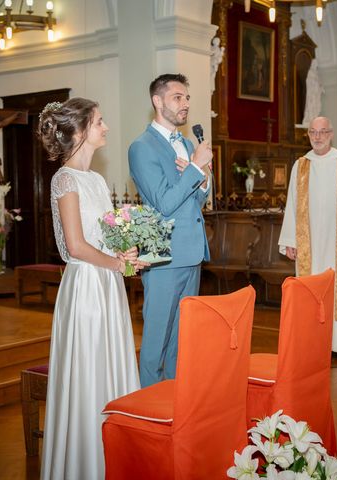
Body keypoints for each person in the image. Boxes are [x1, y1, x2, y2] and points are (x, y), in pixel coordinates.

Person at [37, 98, 144, 479]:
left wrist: (127, 252)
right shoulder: (64, 179)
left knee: (111, 364)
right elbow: (76, 245)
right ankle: (84, 464)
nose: (106, 127)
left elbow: (106, 236)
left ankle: (115, 459)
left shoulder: (97, 180)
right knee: (88, 370)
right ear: (80, 131)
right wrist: (117, 262)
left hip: (108, 284)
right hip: (85, 288)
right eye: (100, 121)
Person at [128, 73, 213, 387]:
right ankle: (149, 405)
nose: (185, 104)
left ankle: (176, 403)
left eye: (187, 98)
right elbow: (164, 203)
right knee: (156, 340)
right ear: (157, 101)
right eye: (178, 97)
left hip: (191, 249)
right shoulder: (141, 147)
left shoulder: (187, 143)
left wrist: (202, 176)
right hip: (163, 252)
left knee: (181, 338)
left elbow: (198, 197)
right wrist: (194, 168)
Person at [278, 116, 337, 359]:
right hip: (309, 243)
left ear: (331, 134)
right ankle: (312, 342)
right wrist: (290, 239)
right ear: (309, 135)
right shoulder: (300, 166)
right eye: (313, 132)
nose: (317, 137)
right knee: (310, 291)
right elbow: (291, 204)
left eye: (322, 132)